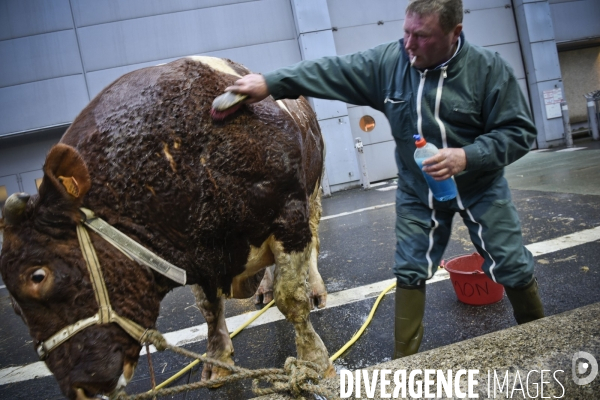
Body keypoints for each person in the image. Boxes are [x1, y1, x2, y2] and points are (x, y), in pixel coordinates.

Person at [224, 0, 544, 358]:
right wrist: (269, 82)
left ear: (455, 33)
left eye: (421, 36)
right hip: (418, 190)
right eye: (406, 31)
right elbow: (333, 70)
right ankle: (403, 365)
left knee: (511, 262)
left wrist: (467, 156)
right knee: (410, 269)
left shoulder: (488, 71)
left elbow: (519, 132)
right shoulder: (391, 63)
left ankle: (542, 342)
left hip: (480, 186)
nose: (408, 43)